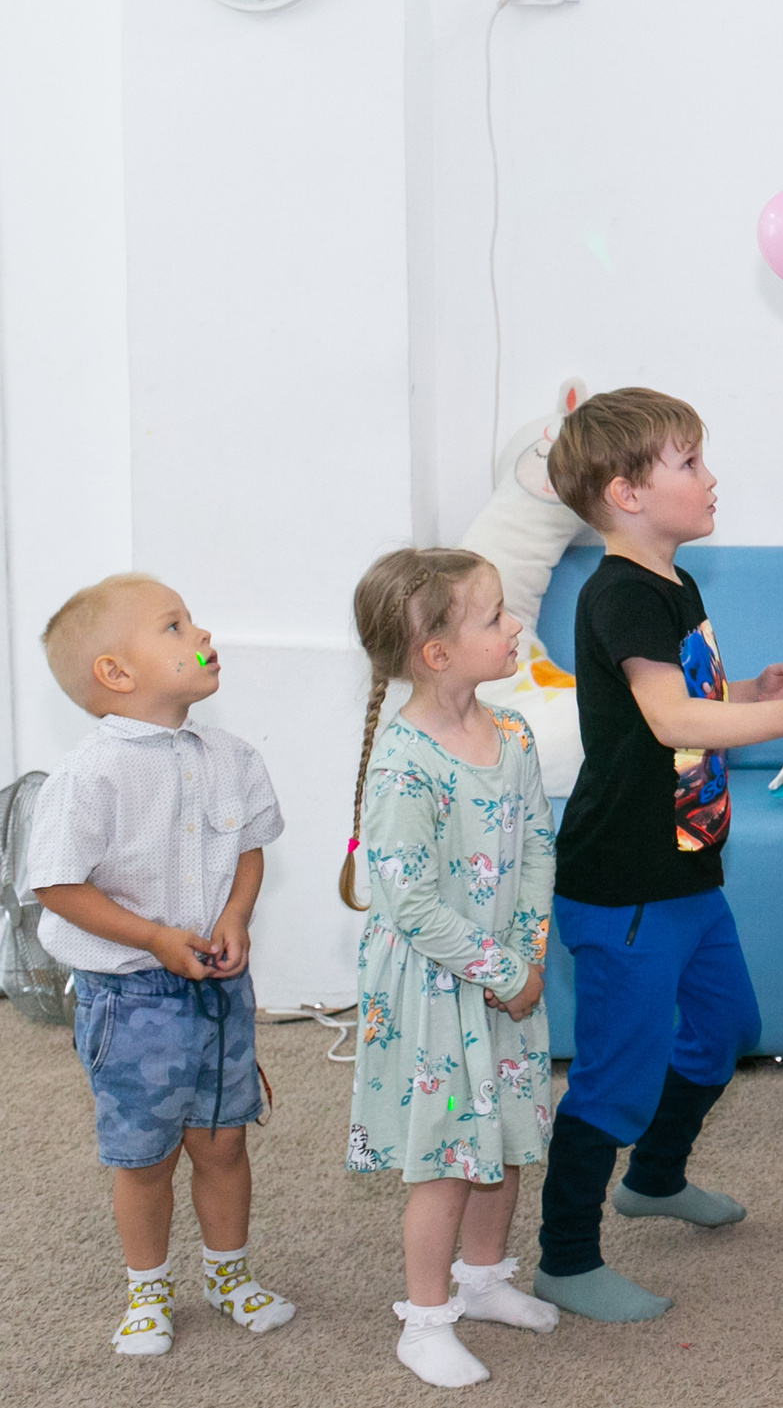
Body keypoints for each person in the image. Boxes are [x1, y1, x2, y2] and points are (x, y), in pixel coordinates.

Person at [536, 388, 783, 1321]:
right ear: (625, 491)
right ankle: (564, 1255)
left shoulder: (676, 584)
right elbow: (671, 717)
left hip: (687, 866)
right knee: (615, 1073)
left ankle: (658, 1177)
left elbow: (692, 709)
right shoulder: (621, 592)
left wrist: (758, 686)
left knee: (724, 1030)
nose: (709, 476)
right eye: (688, 462)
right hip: (624, 879)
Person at [26, 574, 297, 1356]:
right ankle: (147, 1289)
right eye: (174, 625)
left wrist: (235, 914)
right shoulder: (90, 774)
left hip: (218, 989)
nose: (200, 631)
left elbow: (248, 846)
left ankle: (228, 1273)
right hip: (129, 997)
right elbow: (57, 884)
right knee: (144, 1153)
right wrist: (150, 936)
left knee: (223, 1140)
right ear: (116, 672)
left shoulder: (231, 754)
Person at [341, 548, 559, 1386]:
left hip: (507, 978)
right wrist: (502, 969)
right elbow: (408, 902)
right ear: (437, 653)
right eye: (495, 616)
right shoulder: (403, 761)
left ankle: (484, 1276)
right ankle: (425, 1320)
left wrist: (528, 956)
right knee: (444, 1159)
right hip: (438, 988)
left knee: (503, 1137)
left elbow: (539, 845)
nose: (515, 626)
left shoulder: (513, 732)